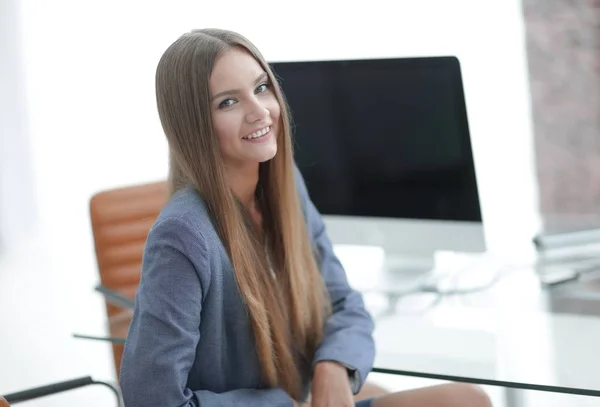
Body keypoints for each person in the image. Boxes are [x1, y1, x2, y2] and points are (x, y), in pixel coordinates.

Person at [119, 28, 493, 407]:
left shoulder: (284, 188)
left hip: (302, 397)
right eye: (228, 102)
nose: (259, 111)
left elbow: (344, 303)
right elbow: (151, 400)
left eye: (261, 87)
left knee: (468, 399)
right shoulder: (182, 235)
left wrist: (334, 365)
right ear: (192, 124)